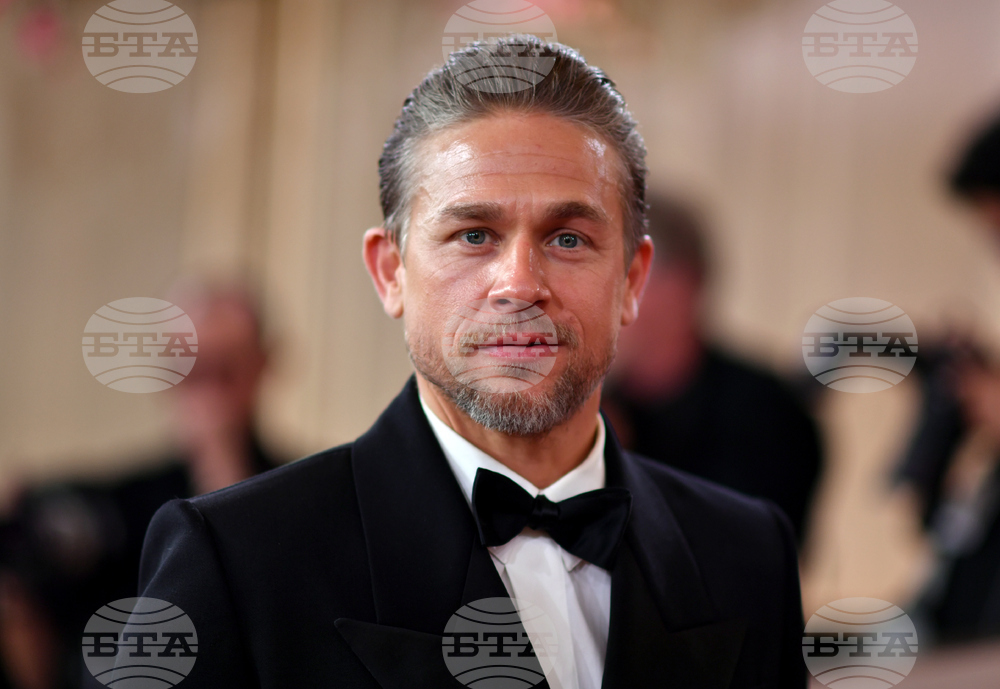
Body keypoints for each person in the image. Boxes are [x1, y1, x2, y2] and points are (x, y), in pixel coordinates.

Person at [127, 37, 805, 688]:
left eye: (568, 237)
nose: (519, 282)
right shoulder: (238, 557)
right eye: (473, 235)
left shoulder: (748, 553)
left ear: (631, 280)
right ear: (390, 272)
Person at [1, 281, 284, 689]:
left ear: (262, 364)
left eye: (224, 371)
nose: (207, 395)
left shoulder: (307, 491)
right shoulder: (119, 501)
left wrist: (221, 464)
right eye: (191, 371)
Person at [601, 194, 823, 542]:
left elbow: (748, 563)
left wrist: (617, 473)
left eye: (617, 278)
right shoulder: (595, 409)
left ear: (681, 287)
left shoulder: (766, 414)